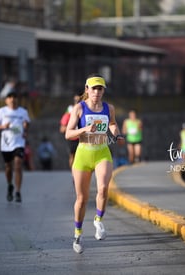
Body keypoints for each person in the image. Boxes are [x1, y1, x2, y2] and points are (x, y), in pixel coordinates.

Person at [65, 74, 125, 254]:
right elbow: (68, 134)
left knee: (103, 189)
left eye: (100, 89)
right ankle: (78, 233)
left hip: (102, 152)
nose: (97, 92)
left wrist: (117, 134)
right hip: (83, 154)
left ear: (103, 91)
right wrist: (84, 129)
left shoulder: (109, 108)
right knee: (82, 199)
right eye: (94, 88)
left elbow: (112, 124)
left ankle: (98, 220)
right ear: (87, 90)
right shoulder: (79, 108)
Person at [0, 91, 30, 203]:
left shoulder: (23, 112)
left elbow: (27, 124)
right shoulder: (1, 112)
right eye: (10, 98)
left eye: (14, 97)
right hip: (6, 144)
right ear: (6, 100)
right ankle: (9, 185)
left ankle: (18, 192)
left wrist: (26, 129)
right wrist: (3, 126)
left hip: (19, 142)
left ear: (17, 99)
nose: (12, 100)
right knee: (8, 167)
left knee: (18, 165)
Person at [59, 94, 81, 168]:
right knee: (72, 155)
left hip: (82, 137)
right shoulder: (70, 109)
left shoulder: (85, 108)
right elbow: (62, 127)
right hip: (73, 138)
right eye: (76, 100)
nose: (77, 102)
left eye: (79, 100)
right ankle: (73, 173)